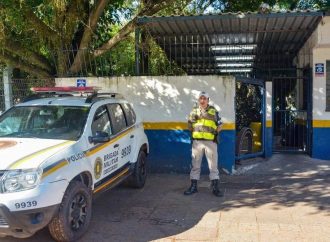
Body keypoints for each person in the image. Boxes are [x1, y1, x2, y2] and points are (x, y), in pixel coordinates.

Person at [184, 91, 223, 197]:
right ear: (198, 100)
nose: (202, 100)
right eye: (201, 98)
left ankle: (215, 188)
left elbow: (220, 125)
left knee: (213, 166)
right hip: (197, 142)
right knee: (195, 165)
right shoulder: (194, 111)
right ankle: (193, 187)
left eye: (204, 98)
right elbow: (189, 125)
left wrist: (215, 133)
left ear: (208, 100)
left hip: (211, 142)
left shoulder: (213, 111)